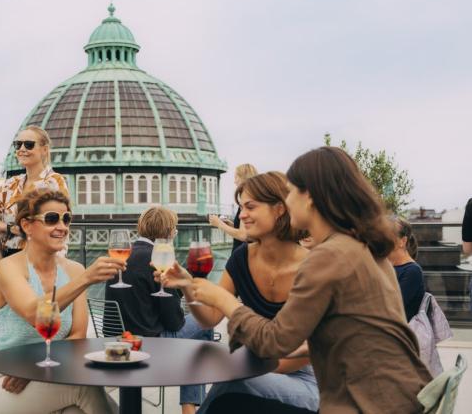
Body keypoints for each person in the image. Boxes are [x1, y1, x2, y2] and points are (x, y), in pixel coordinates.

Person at [189, 147, 432, 413]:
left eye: (291, 191)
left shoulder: (329, 256)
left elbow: (274, 340)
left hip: (362, 404)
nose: (288, 199)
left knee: (229, 396)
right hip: (396, 399)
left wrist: (222, 300)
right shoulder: (362, 249)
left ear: (311, 198)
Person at [160, 172, 319, 414]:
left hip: (308, 381)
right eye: (241, 207)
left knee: (232, 384)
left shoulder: (313, 268)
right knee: (231, 386)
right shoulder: (242, 258)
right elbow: (210, 318)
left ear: (279, 209)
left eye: (250, 207)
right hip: (256, 369)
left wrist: (243, 366)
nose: (242, 215)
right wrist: (187, 288)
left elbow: (309, 350)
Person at [0, 189, 120, 414]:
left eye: (66, 218)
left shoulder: (75, 270)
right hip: (5, 382)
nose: (63, 227)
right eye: (51, 219)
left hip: (53, 375)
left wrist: (35, 368)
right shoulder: (9, 268)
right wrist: (86, 279)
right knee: (86, 389)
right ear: (27, 225)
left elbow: (77, 336)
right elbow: (35, 314)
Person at [105, 206, 212, 414]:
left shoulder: (121, 255)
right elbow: (175, 322)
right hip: (152, 343)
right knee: (206, 322)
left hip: (117, 341)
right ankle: (190, 408)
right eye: (175, 229)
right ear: (168, 231)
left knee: (198, 333)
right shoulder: (159, 259)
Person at [0, 126, 69, 257]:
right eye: (18, 145)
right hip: (10, 257)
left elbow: (55, 224)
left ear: (44, 150)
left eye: (29, 145)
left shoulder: (54, 182)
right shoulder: (10, 184)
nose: (22, 149)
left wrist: (12, 228)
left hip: (43, 256)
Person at [209, 163, 257, 254]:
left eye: (236, 177)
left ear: (243, 178)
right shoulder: (255, 200)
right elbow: (249, 232)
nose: (234, 181)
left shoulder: (246, 201)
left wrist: (219, 224)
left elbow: (243, 235)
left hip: (243, 255)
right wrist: (231, 224)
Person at [389, 216, 425, 322]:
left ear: (402, 241)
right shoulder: (387, 266)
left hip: (398, 333)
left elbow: (393, 307)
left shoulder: (412, 271)